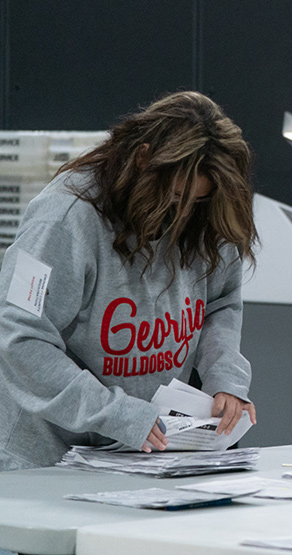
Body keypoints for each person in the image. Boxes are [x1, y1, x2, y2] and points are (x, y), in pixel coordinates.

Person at [0, 91, 259, 472]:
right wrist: (114, 413)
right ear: (142, 160)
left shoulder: (207, 211)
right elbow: (18, 337)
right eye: (175, 197)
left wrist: (225, 379)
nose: (183, 213)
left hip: (144, 452)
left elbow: (219, 302)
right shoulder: (64, 218)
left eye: (198, 202)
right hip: (48, 458)